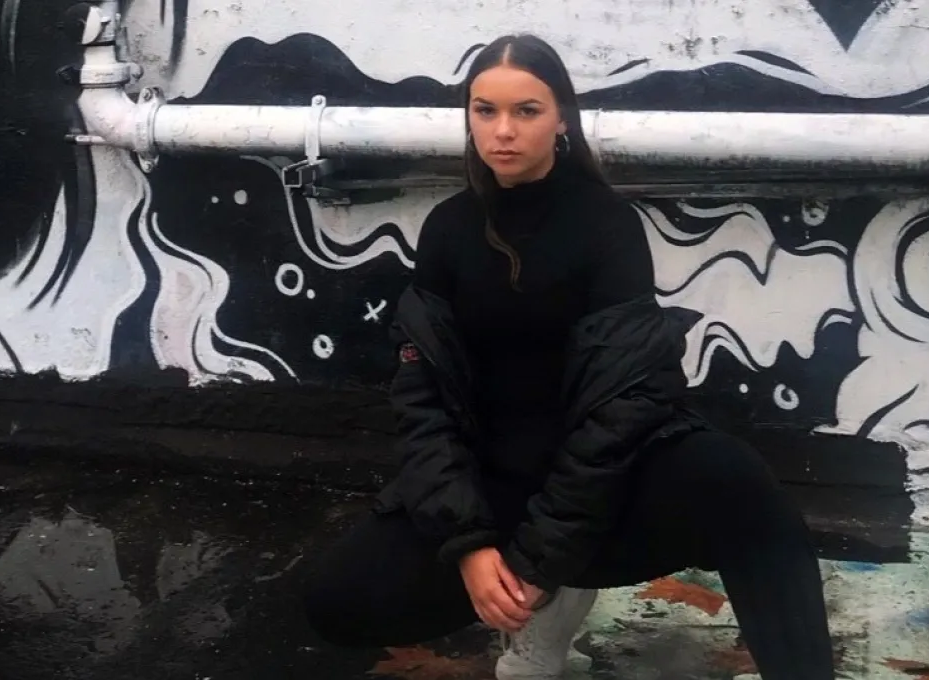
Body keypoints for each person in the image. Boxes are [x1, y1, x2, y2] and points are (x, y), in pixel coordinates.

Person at [303, 33, 836, 680]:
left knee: (747, 493)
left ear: (561, 119)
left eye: (526, 110)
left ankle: (569, 591)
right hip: (496, 471)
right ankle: (550, 593)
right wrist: (471, 548)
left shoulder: (606, 225)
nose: (503, 131)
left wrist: (535, 562)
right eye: (484, 110)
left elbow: (624, 407)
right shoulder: (446, 230)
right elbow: (423, 401)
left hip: (600, 471)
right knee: (334, 602)